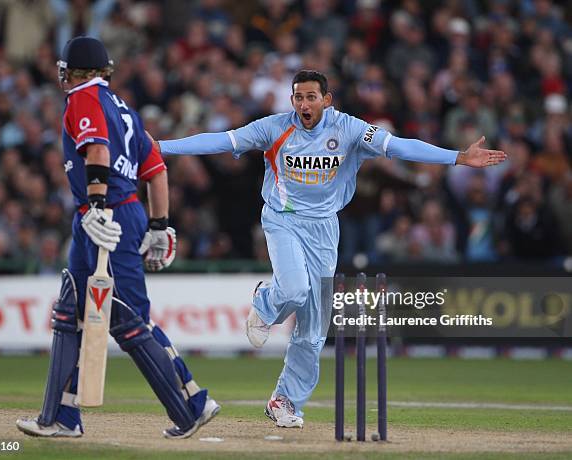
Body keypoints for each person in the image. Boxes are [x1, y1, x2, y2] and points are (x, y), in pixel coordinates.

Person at [157, 70, 506, 428]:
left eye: (311, 97)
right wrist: (161, 148)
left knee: (314, 328)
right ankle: (265, 301)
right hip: (283, 219)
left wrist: (458, 157)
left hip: (325, 228)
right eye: (298, 97)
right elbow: (219, 140)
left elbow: (400, 146)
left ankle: (284, 400)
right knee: (293, 289)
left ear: (327, 99)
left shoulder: (350, 129)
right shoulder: (275, 128)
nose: (304, 104)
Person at [16, 36, 219, 439]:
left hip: (105, 215)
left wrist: (95, 205)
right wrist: (158, 225)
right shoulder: (125, 109)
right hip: (117, 212)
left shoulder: (83, 98)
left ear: (75, 72)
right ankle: (61, 416)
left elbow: (98, 153)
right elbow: (156, 170)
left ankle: (190, 405)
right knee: (69, 311)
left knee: (129, 320)